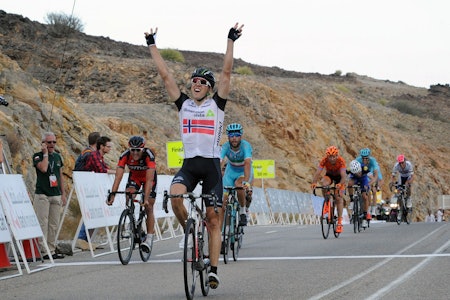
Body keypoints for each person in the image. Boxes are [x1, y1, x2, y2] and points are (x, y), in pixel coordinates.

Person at [144, 22, 244, 289]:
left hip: (211, 167)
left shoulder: (216, 104)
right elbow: (165, 76)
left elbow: (226, 72)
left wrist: (230, 40)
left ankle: (212, 269)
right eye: (194, 81)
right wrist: (152, 44)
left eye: (202, 82)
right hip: (189, 165)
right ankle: (190, 231)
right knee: (176, 197)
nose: (197, 84)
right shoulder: (184, 104)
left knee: (213, 220)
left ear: (209, 88)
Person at [107, 136, 157, 254]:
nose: (134, 153)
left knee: (149, 206)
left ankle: (149, 238)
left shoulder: (149, 155)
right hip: (135, 177)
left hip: (149, 179)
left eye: (137, 150)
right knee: (129, 195)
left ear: (143, 149)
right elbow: (118, 177)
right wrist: (112, 194)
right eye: (132, 150)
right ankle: (131, 220)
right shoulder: (124, 155)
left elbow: (149, 180)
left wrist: (145, 199)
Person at [76, 136, 116, 250]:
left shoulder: (100, 157)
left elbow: (104, 167)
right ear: (102, 146)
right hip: (88, 188)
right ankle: (82, 238)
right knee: (90, 212)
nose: (110, 149)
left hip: (92, 188)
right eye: (108, 146)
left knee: (94, 212)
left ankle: (86, 240)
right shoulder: (93, 155)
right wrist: (117, 172)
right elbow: (102, 171)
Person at [32, 132, 66, 259]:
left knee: (54, 224)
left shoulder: (57, 157)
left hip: (56, 194)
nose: (52, 144)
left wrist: (63, 194)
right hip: (43, 195)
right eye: (49, 142)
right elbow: (44, 169)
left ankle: (51, 249)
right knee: (43, 222)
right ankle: (44, 250)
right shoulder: (37, 156)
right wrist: (45, 153)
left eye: (53, 142)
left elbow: (60, 176)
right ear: (44, 143)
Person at [220, 123, 253, 227]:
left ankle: (243, 211)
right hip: (230, 172)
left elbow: (247, 163)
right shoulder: (225, 146)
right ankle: (224, 232)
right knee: (223, 201)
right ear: (228, 136)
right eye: (231, 135)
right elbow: (219, 162)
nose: (234, 138)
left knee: (239, 185)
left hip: (244, 171)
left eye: (237, 135)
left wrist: (246, 182)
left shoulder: (246, 146)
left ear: (241, 135)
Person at [311, 146, 347, 233]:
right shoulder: (324, 160)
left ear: (336, 156)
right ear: (327, 156)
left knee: (339, 198)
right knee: (324, 184)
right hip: (330, 175)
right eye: (330, 156)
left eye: (333, 156)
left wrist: (340, 184)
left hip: (340, 178)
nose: (332, 158)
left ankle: (339, 222)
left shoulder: (341, 161)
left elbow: (344, 176)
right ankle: (327, 202)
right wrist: (314, 182)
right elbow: (318, 172)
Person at [347, 160, 375, 228]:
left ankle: (365, 217)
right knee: (349, 184)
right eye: (356, 173)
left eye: (359, 172)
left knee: (365, 197)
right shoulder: (349, 170)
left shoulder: (364, 168)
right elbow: (343, 177)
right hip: (354, 179)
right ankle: (352, 200)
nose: (358, 174)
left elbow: (372, 179)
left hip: (363, 180)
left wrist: (368, 184)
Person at [356, 148, 381, 219]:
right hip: (363, 173)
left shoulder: (373, 161)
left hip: (371, 173)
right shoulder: (358, 160)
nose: (364, 160)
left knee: (371, 190)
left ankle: (372, 209)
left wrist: (369, 184)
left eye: (366, 158)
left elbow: (375, 176)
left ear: (369, 157)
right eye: (363, 158)